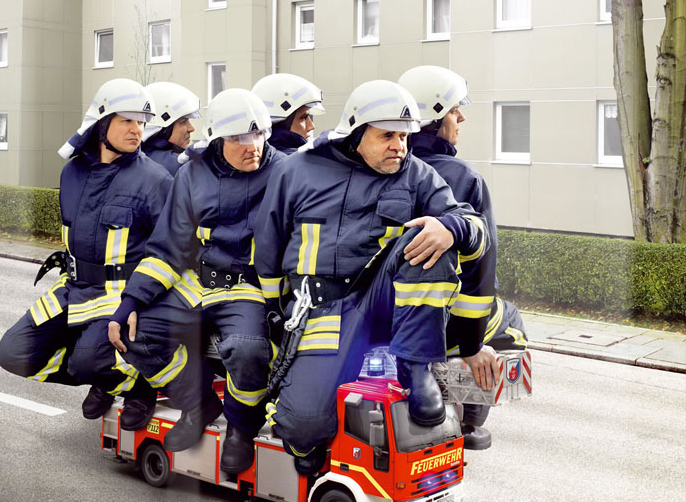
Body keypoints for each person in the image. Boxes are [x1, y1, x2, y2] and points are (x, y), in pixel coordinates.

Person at [253, 79, 487, 474]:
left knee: (432, 234)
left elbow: (474, 225)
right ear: (357, 132)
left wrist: (452, 228)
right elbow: (267, 246)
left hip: (383, 306)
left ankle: (416, 367)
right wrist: (275, 315)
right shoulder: (297, 170)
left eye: (405, 136)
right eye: (387, 136)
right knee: (303, 428)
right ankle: (307, 431)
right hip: (322, 311)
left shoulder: (417, 175)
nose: (400, 146)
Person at [107, 88, 283, 474]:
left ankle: (241, 428)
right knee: (135, 333)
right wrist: (131, 302)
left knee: (248, 351)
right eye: (240, 137)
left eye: (259, 134)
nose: (253, 146)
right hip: (197, 282)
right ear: (218, 138)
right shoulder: (191, 174)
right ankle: (198, 403)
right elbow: (168, 246)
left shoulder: (286, 172)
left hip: (248, 288)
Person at [0, 78, 173, 430]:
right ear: (101, 123)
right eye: (127, 120)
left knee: (86, 360)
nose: (137, 129)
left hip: (122, 294)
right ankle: (106, 376)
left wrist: (138, 301)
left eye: (141, 122)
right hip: (74, 288)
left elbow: (170, 252)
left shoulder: (156, 180)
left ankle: (138, 387)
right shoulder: (72, 173)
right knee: (12, 353)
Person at [398, 65, 528, 450]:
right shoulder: (465, 178)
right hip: (438, 321)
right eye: (455, 111)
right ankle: (469, 420)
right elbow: (480, 273)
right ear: (436, 117)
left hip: (380, 315)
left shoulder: (379, 168)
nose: (462, 119)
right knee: (510, 320)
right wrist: (471, 346)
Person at [251, 72, 324, 155]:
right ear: (279, 123)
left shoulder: (253, 159)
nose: (311, 126)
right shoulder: (302, 161)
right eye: (303, 117)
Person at [141, 81, 201, 175]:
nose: (191, 128)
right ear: (163, 130)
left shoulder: (138, 160)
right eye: (183, 122)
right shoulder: (180, 167)